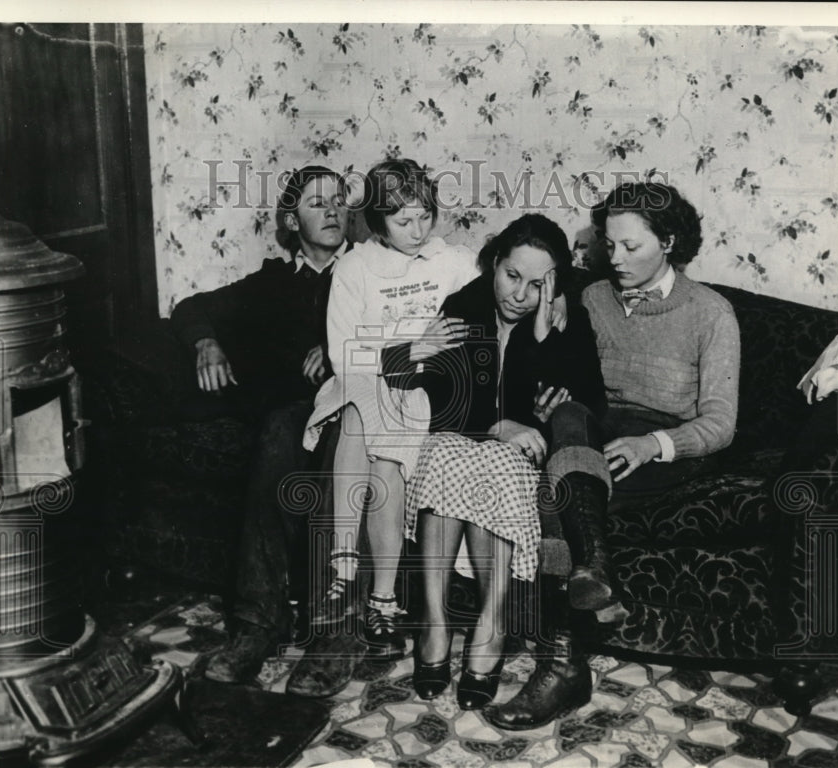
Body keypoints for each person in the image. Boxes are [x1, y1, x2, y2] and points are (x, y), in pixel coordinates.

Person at [484, 180, 741, 730]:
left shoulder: (711, 313)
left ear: (668, 242)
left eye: (631, 246)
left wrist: (653, 446)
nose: (616, 258)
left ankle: (563, 666)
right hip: (591, 437)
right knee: (568, 419)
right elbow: (558, 373)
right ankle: (593, 569)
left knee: (554, 494)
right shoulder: (591, 298)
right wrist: (550, 386)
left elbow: (720, 424)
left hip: (668, 451)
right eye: (609, 244)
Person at [398, 214, 606, 711]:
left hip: (519, 461)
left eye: (537, 284)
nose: (519, 294)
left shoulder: (567, 319)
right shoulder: (463, 306)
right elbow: (439, 397)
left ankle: (490, 627)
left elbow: (591, 404)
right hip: (461, 444)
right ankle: (434, 623)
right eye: (512, 276)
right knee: (445, 451)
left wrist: (543, 340)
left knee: (496, 461)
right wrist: (496, 424)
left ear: (554, 284)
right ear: (494, 263)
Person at [169, 165, 351, 683]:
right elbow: (191, 308)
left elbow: (411, 324)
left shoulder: (369, 269)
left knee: (340, 449)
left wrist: (341, 349)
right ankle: (258, 623)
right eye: (317, 203)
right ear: (292, 221)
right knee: (276, 436)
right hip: (293, 412)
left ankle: (335, 630)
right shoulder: (271, 283)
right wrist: (206, 342)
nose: (333, 210)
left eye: (339, 200)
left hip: (354, 404)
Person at [301, 158, 481, 659]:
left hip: (422, 390)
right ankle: (350, 575)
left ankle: (369, 591)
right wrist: (411, 346)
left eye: (425, 217)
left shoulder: (455, 261)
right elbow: (344, 356)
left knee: (383, 448)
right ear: (378, 222)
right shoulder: (355, 268)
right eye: (404, 221)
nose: (418, 231)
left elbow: (500, 300)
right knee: (361, 408)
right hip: (362, 384)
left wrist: (557, 296)